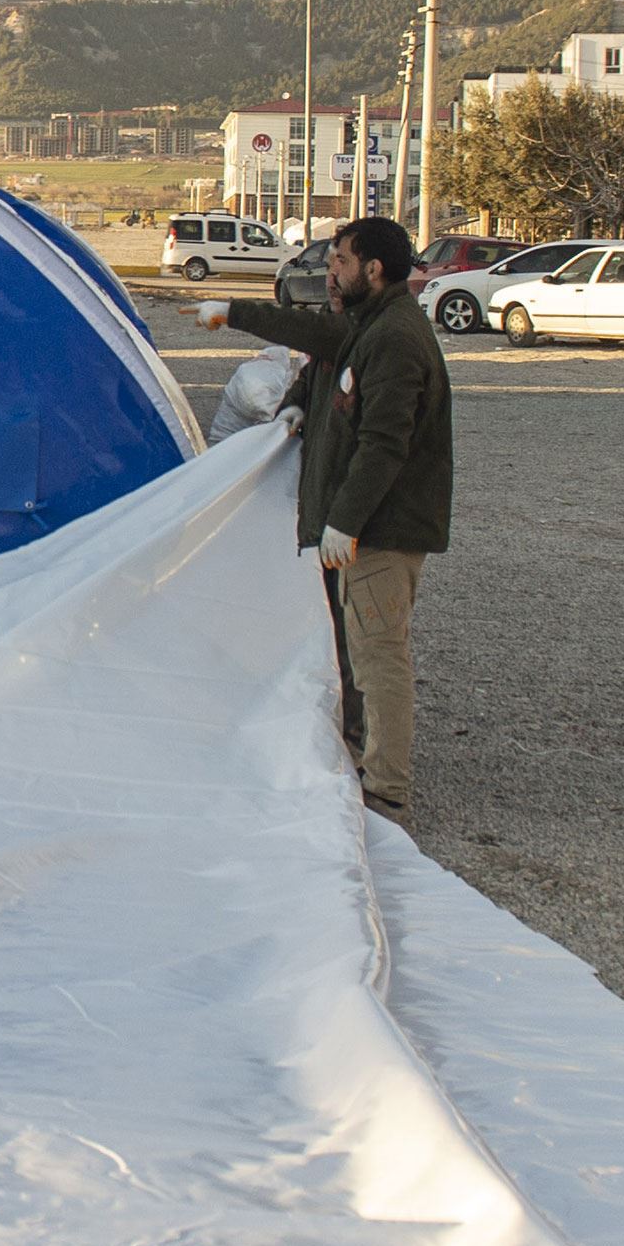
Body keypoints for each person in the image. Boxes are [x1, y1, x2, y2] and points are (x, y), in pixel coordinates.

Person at [198, 215, 453, 818]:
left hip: (381, 531)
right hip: (362, 527)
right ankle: (357, 746)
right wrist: (290, 403)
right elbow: (316, 350)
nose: (330, 271)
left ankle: (387, 786)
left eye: (340, 261)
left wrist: (347, 520)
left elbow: (385, 443)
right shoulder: (369, 325)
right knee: (350, 645)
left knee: (377, 652)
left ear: (374, 269)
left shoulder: (393, 337)